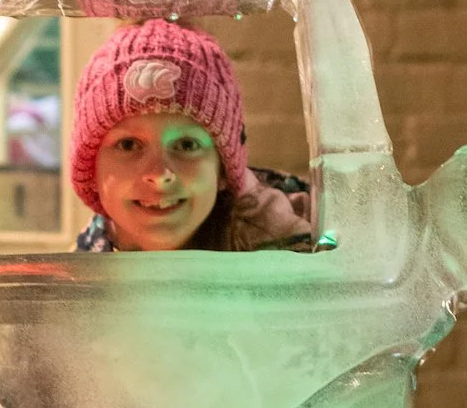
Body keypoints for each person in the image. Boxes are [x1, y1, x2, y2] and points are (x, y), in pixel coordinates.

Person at [70, 18, 312, 253]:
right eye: (128, 144)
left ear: (223, 171)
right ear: (92, 170)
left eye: (186, 144)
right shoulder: (88, 257)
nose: (159, 175)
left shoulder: (282, 252)